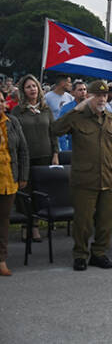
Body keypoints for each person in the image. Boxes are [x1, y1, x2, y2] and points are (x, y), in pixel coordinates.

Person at [51, 81, 112, 271]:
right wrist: (76, 109)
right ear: (88, 96)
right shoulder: (78, 117)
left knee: (105, 221)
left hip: (107, 178)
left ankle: (99, 253)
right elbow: (55, 129)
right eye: (97, 95)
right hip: (85, 179)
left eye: (104, 95)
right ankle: (80, 254)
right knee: (83, 222)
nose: (101, 99)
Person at [12, 74, 59, 242]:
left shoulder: (46, 109)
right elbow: (14, 134)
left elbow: (53, 132)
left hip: (45, 156)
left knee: (40, 192)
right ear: (23, 91)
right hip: (25, 157)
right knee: (25, 192)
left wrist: (55, 153)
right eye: (28, 87)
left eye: (34, 86)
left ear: (39, 89)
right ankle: (26, 225)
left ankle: (36, 226)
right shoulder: (18, 111)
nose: (32, 89)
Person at [0, 93, 29, 276]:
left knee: (3, 221)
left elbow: (23, 150)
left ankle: (1, 259)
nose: (1, 104)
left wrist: (23, 175)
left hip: (8, 179)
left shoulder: (12, 122)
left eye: (2, 100)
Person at [57, 80, 87, 152]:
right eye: (80, 90)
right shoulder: (66, 109)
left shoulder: (92, 107)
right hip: (73, 149)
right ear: (73, 92)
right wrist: (65, 150)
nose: (83, 92)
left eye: (84, 89)